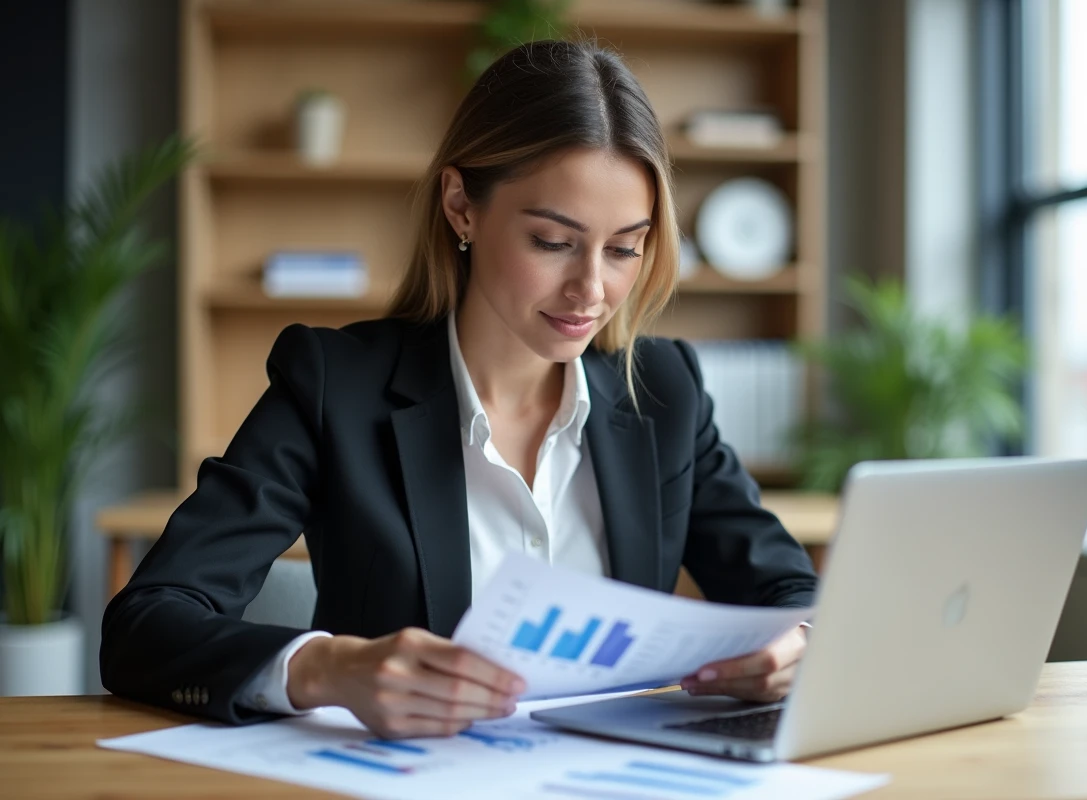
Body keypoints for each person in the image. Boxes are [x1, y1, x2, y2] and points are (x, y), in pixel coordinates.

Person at [100, 39, 818, 740]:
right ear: (460, 206)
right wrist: (327, 667)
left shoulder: (663, 391)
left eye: (625, 247)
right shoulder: (333, 386)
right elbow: (147, 623)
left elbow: (792, 593)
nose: (593, 289)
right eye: (552, 241)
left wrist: (799, 645)